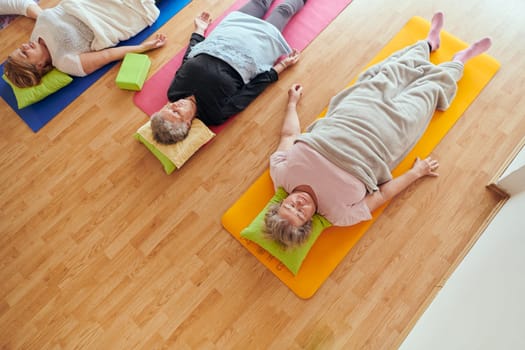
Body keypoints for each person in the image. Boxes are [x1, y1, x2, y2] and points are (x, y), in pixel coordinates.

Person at [265, 12, 492, 248]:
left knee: (390, 74)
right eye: (300, 213)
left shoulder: (281, 175)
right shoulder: (339, 216)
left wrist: (292, 103)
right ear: (309, 222)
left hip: (352, 114)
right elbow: (381, 196)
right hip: (388, 137)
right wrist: (417, 173)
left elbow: (289, 135)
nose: (298, 204)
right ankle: (459, 61)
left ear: (280, 203)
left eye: (289, 206)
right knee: (427, 93)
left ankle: (428, 44)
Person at [150, 0, 307, 145]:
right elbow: (251, 91)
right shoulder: (214, 115)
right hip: (253, 48)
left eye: (168, 108)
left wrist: (199, 31)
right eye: (177, 113)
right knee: (284, 10)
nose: (175, 105)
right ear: (187, 123)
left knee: (258, 2)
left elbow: (188, 60)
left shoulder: (173, 93)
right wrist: (283, 65)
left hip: (225, 37)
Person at [2, 0, 167, 88]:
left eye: (19, 49)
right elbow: (108, 55)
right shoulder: (65, 62)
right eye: (24, 54)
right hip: (116, 13)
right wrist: (143, 47)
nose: (23, 46)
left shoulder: (35, 38)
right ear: (38, 66)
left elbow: (30, 8)